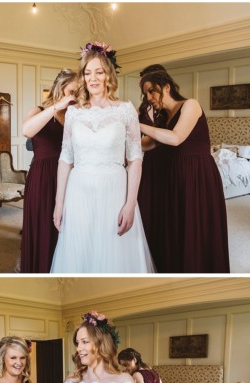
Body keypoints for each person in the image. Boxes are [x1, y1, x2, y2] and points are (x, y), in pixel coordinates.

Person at [50, 42, 154, 273]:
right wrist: (59, 203)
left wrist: (130, 203)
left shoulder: (126, 110)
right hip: (79, 192)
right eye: (87, 73)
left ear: (108, 74)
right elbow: (65, 159)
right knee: (80, 252)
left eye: (99, 71)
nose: (93, 78)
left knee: (115, 252)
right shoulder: (74, 112)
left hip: (114, 190)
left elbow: (135, 159)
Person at [138, 69, 230, 273]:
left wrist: (138, 125)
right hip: (174, 174)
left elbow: (176, 137)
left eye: (152, 91)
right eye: (146, 94)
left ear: (167, 87)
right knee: (177, 227)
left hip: (196, 174)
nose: (149, 98)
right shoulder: (163, 116)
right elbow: (148, 145)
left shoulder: (191, 105)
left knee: (194, 226)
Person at [19, 69, 77, 273]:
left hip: (70, 177)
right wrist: (56, 107)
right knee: (43, 225)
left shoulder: (76, 114)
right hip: (43, 176)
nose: (75, 97)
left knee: (66, 228)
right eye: (72, 91)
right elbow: (27, 130)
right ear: (61, 88)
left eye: (79, 93)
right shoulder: (38, 110)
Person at [136, 64, 170, 272]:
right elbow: (142, 141)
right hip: (148, 160)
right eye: (145, 90)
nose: (147, 94)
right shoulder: (143, 108)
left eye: (151, 89)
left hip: (164, 159)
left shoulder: (166, 110)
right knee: (146, 206)